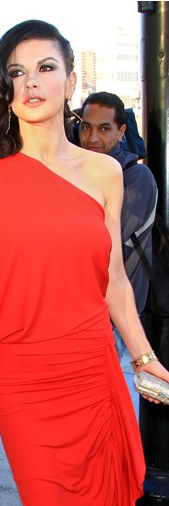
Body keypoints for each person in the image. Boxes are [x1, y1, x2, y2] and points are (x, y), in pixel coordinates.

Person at [0, 20, 169, 506]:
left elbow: (114, 280)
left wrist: (145, 356)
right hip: (22, 375)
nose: (32, 82)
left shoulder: (105, 173)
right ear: (6, 87)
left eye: (45, 68)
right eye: (17, 72)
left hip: (91, 367)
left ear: (71, 81)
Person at [78, 92, 158, 358]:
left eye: (104, 129)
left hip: (112, 317)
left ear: (121, 132)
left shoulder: (136, 177)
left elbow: (106, 245)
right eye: (86, 127)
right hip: (76, 312)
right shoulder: (76, 171)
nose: (92, 138)